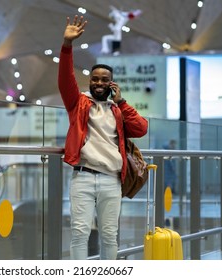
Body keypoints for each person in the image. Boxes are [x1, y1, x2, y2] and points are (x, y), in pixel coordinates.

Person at [58, 15, 148, 260]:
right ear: (90, 81)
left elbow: (140, 129)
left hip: (111, 180)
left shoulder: (117, 110)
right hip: (83, 178)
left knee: (109, 234)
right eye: (95, 79)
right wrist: (67, 46)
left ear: (112, 84)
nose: (99, 83)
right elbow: (65, 81)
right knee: (79, 233)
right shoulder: (79, 103)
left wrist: (122, 102)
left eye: (104, 80)